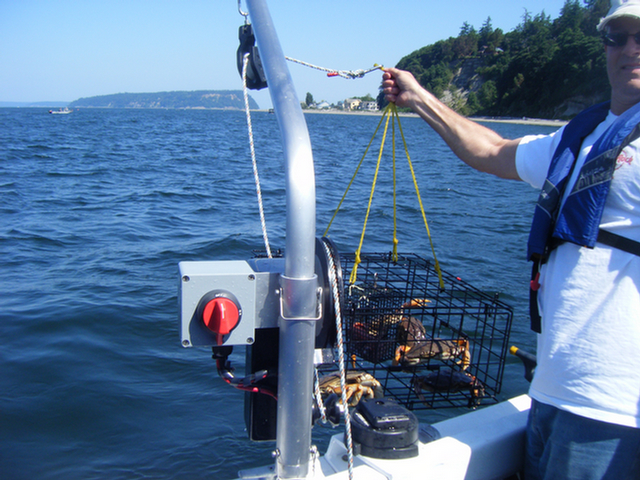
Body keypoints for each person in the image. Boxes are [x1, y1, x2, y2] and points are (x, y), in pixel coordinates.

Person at [382, 1, 640, 479]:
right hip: (553, 391)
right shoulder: (580, 137)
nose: (628, 48)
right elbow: (492, 151)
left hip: (617, 409)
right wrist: (419, 98)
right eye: (616, 36)